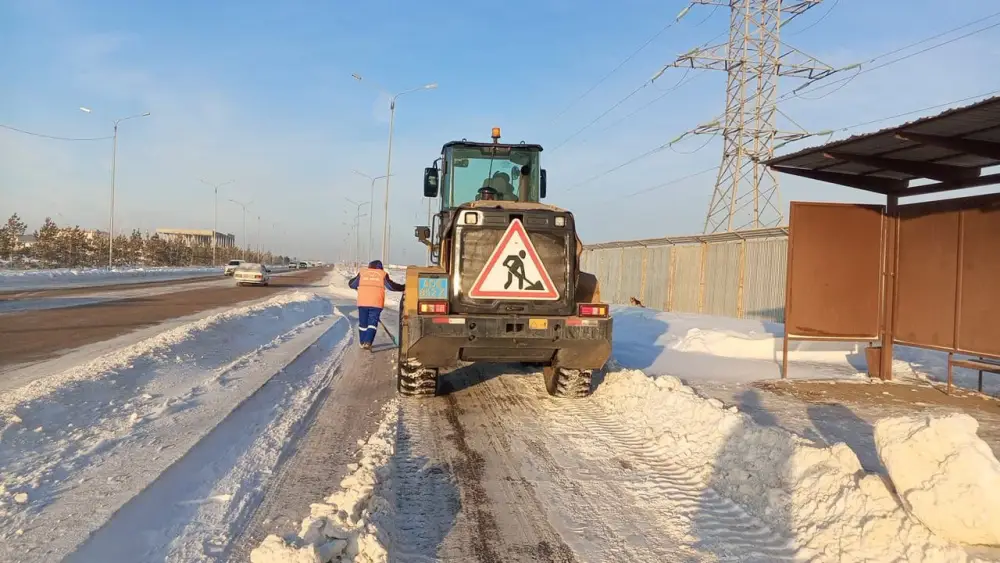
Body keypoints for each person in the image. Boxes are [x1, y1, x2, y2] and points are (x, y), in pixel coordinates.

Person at [348, 260, 405, 350]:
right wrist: (403, 287)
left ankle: (362, 342)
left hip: (363, 302)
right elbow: (391, 286)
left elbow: (352, 284)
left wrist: (356, 287)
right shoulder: (382, 274)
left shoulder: (363, 273)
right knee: (372, 323)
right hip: (376, 303)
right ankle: (368, 342)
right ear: (380, 267)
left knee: (363, 323)